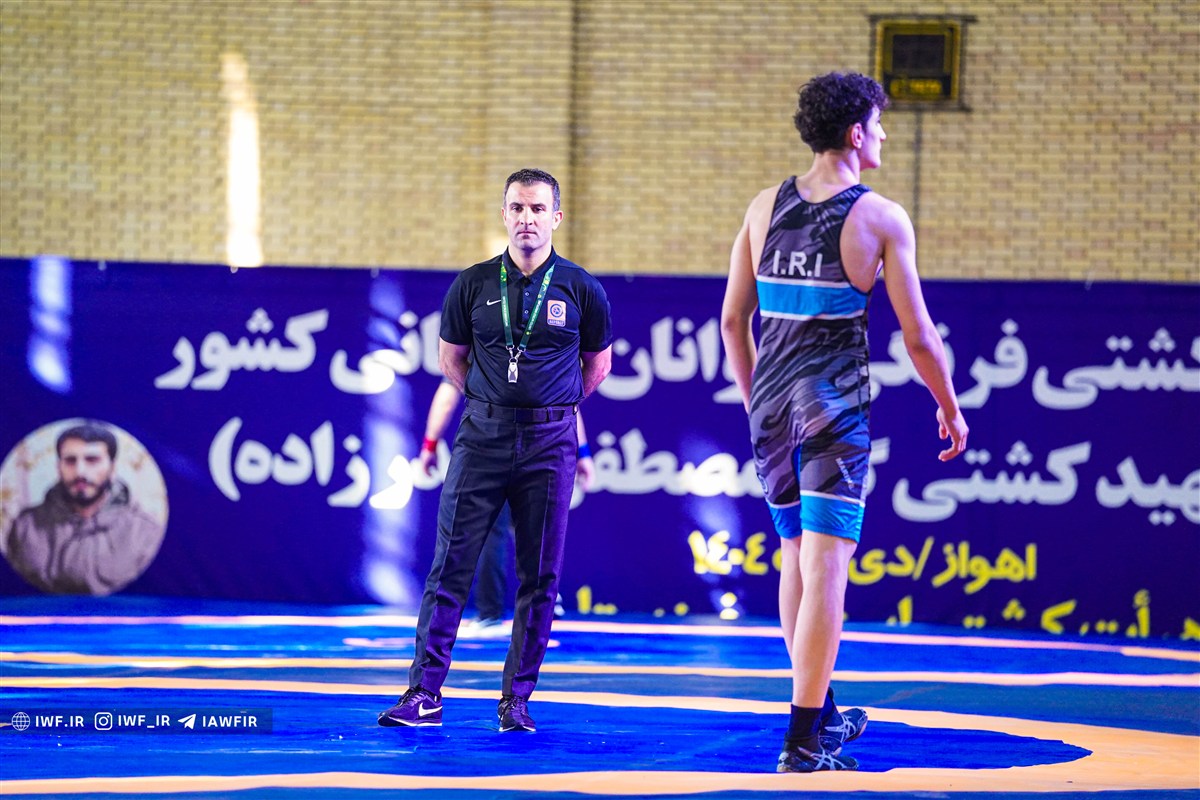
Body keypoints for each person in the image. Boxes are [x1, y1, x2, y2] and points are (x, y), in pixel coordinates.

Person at [720, 72, 968, 773]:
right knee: (827, 567)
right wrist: (949, 406)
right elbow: (919, 337)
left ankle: (821, 714)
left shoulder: (764, 205)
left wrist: (756, 402)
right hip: (832, 409)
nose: (884, 134)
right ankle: (802, 741)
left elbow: (733, 322)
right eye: (879, 124)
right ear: (856, 134)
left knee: (795, 555)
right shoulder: (880, 218)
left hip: (771, 408)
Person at [379, 167, 612, 733]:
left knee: (539, 576)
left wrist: (548, 406)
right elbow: (450, 360)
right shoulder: (472, 284)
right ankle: (424, 693)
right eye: (517, 208)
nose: (527, 218)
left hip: (551, 442)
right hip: (481, 438)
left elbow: (598, 366)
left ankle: (516, 700)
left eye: (538, 208)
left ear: (556, 217)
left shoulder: (582, 288)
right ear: (504, 215)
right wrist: (494, 403)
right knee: (449, 567)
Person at [417, 378, 596, 637]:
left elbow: (448, 389)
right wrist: (583, 452)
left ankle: (491, 612)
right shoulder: (549, 355)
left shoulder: (484, 352)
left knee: (492, 526)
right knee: (531, 525)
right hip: (543, 443)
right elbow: (567, 399)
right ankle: (543, 598)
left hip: (493, 441)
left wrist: (430, 445)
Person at [5, 422, 164, 596]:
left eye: (92, 460)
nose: (80, 472)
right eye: (70, 461)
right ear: (59, 467)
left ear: (112, 468)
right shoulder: (25, 527)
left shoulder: (144, 533)